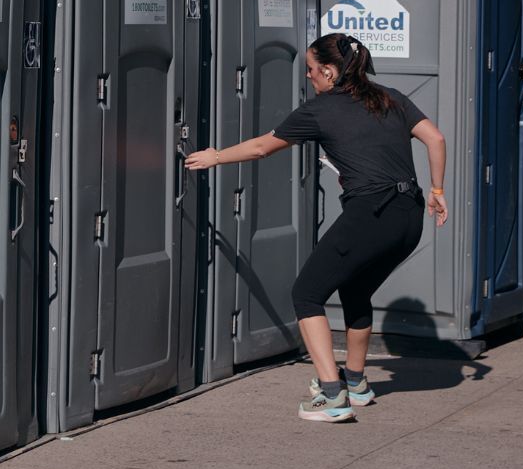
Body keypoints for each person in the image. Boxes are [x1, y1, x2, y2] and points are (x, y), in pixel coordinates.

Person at [185, 32, 449, 423]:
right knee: (355, 286)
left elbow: (262, 147)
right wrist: (438, 190)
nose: (308, 78)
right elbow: (435, 138)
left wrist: (215, 156)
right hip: (409, 216)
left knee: (307, 293)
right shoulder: (388, 96)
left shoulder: (321, 110)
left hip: (371, 214)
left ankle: (332, 394)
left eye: (310, 70)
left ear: (328, 71)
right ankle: (356, 383)